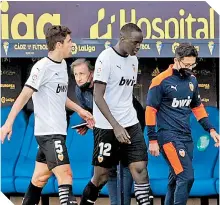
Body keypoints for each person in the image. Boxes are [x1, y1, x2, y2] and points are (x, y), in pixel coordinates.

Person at [0, 25, 95, 205]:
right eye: (69, 41)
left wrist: (80, 110)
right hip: (48, 134)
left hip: (58, 132)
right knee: (66, 175)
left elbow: (60, 97)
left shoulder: (62, 66)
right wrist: (8, 123)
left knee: (40, 178)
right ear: (59, 44)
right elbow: (24, 95)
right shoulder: (42, 67)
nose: (71, 44)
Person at [79, 23, 151, 205]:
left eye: (140, 43)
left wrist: (125, 122)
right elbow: (97, 96)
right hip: (107, 126)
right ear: (123, 38)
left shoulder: (134, 60)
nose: (138, 47)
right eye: (135, 42)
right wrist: (115, 125)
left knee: (140, 170)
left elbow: (123, 94)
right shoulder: (106, 58)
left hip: (130, 122)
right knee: (101, 176)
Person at [145, 43, 220, 205]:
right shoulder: (160, 81)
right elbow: (150, 111)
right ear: (176, 60)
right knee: (186, 177)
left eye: (192, 64)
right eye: (186, 64)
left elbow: (197, 107)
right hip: (168, 137)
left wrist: (211, 129)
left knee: (175, 178)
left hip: (186, 137)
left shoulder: (192, 79)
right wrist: (152, 140)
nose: (189, 68)